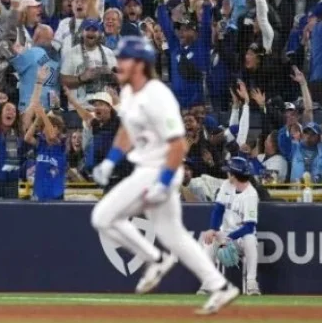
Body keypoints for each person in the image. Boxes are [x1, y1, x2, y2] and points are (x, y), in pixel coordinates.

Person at [89, 36, 239, 315]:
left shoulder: (158, 95)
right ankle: (219, 285)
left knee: (102, 217)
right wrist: (110, 161)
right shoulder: (130, 94)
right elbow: (126, 132)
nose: (118, 64)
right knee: (174, 235)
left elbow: (178, 144)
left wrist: (163, 182)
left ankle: (154, 258)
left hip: (158, 170)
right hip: (147, 168)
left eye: (124, 59)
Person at [199, 157, 261, 296]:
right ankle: (208, 283)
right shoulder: (227, 185)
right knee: (209, 240)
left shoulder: (251, 194)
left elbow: (249, 227)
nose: (227, 174)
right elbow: (218, 210)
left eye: (229, 172)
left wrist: (229, 238)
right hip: (224, 233)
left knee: (250, 239)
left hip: (240, 237)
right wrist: (213, 230)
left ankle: (251, 282)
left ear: (234, 175)